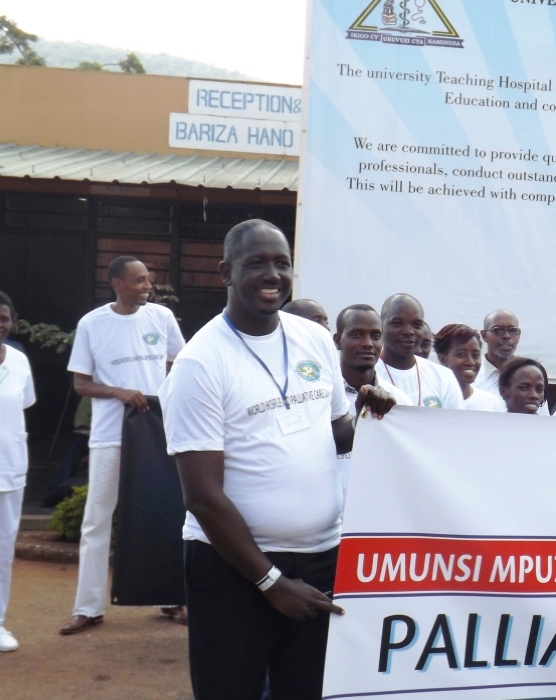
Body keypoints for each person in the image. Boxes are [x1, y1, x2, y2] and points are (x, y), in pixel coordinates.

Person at [160, 220, 395, 700]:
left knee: (307, 691)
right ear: (226, 271)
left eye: (282, 263)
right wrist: (270, 581)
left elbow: (337, 434)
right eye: (257, 263)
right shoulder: (199, 363)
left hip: (322, 561)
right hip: (233, 570)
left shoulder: (312, 338)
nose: (273, 274)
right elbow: (202, 496)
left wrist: (373, 417)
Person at [61, 255, 186, 635]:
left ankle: (170, 598)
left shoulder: (161, 318)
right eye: (139, 280)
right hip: (109, 435)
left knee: (164, 514)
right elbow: (81, 383)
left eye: (148, 279)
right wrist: (116, 391)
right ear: (117, 283)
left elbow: (182, 364)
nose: (148, 285)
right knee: (97, 519)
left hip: (154, 433)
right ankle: (88, 607)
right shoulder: (92, 324)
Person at [333, 304, 411, 504]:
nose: (368, 343)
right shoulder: (322, 396)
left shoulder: (399, 399)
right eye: (357, 335)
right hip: (329, 516)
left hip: (377, 511)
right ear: (337, 340)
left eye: (376, 336)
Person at [0, 291, 35, 652]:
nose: (0, 325)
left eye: (4, 319)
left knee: (3, 549)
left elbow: (22, 405)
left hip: (9, 468)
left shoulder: (20, 362)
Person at [375, 294, 463, 409]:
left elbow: (456, 425)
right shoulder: (367, 373)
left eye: (417, 325)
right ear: (381, 326)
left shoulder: (444, 377)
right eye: (397, 323)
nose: (409, 331)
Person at [434, 324, 505, 412]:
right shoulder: (429, 400)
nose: (471, 362)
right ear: (443, 359)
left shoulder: (490, 402)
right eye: (461, 355)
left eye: (475, 355)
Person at [476, 310, 521, 396]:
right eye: (498, 330)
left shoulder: (529, 377)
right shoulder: (471, 378)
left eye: (513, 330)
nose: (507, 336)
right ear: (484, 335)